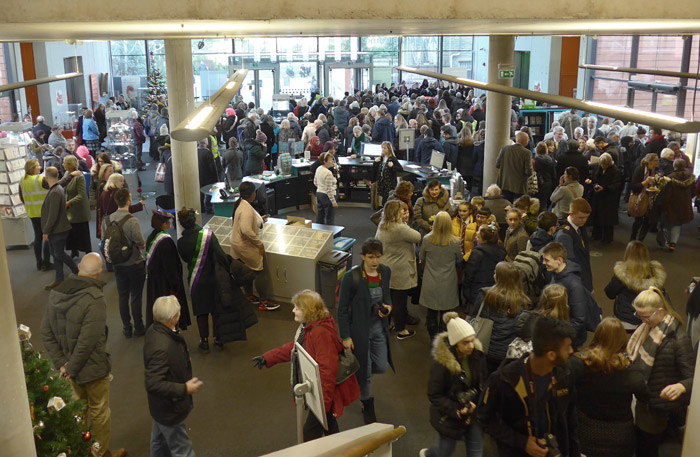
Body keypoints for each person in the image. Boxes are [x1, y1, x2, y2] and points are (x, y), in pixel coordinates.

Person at [41, 252, 127, 457]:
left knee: (77, 413)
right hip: (93, 368)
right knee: (99, 411)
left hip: (68, 372)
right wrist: (70, 368)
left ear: (79, 267)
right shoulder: (95, 298)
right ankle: (100, 452)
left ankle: (80, 452)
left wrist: (63, 364)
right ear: (98, 273)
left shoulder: (55, 293)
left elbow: (46, 332)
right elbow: (88, 342)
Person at [254, 290, 361, 441]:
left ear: (308, 311)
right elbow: (295, 348)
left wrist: (321, 405)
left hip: (323, 394)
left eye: (297, 308)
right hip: (320, 393)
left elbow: (327, 371)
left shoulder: (319, 333)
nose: (293, 310)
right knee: (329, 427)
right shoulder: (310, 328)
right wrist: (268, 357)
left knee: (309, 437)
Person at [477, 316, 578, 457]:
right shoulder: (504, 380)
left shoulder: (566, 375)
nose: (571, 351)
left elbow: (570, 421)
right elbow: (485, 418)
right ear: (551, 355)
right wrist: (522, 442)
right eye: (567, 347)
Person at [628, 287, 695, 457]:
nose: (643, 321)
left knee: (648, 448)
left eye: (646, 317)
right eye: (639, 316)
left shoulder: (678, 339)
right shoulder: (647, 328)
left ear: (660, 311)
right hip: (645, 401)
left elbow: (692, 377)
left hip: (659, 407)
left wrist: (681, 386)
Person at [569, 317, 650, 457]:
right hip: (621, 436)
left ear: (598, 335)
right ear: (622, 340)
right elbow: (645, 396)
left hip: (586, 431)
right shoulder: (629, 369)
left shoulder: (578, 363)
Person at [337, 238, 394, 424]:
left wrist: (388, 306)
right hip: (359, 331)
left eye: (378, 257)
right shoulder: (350, 277)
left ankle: (359, 375)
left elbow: (387, 296)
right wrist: (345, 336)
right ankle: (367, 403)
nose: (375, 261)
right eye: (370, 257)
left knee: (382, 365)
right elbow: (342, 309)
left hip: (379, 328)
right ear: (362, 256)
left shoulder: (385, 272)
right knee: (366, 372)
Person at [419, 313, 485, 457]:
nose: (471, 346)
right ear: (455, 344)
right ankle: (430, 454)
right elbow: (434, 394)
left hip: (474, 414)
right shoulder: (442, 365)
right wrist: (456, 409)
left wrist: (476, 402)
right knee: (445, 451)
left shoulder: (477, 357)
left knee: (476, 453)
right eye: (465, 343)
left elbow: (482, 384)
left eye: (472, 341)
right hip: (449, 418)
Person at [144, 296, 202, 457]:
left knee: (159, 441)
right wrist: (185, 388)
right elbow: (153, 383)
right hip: (170, 406)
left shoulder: (155, 330)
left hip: (160, 407)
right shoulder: (163, 346)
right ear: (173, 318)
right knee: (182, 450)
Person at [102, 188, 147, 338]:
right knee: (136, 296)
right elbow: (140, 242)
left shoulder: (106, 220)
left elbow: (105, 241)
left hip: (118, 264)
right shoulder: (132, 221)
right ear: (128, 201)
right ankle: (139, 327)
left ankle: (126, 327)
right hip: (134, 263)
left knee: (122, 296)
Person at [375, 201, 421, 340]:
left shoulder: (383, 225)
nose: (405, 214)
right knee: (399, 302)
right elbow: (417, 237)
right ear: (396, 213)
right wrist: (405, 222)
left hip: (385, 267)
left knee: (386, 299)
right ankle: (401, 330)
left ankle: (386, 326)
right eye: (403, 211)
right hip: (400, 270)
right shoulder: (400, 228)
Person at [542, 242, 602, 348]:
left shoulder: (574, 285)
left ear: (559, 260)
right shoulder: (556, 274)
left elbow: (579, 319)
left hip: (569, 340)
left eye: (547, 260)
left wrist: (563, 338)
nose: (543, 263)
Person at [229, 182, 278, 311]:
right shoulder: (247, 210)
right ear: (252, 194)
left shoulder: (240, 204)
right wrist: (259, 243)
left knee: (247, 269)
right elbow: (246, 230)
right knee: (261, 271)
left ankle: (249, 296)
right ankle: (264, 301)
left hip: (237, 244)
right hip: (246, 245)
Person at [479, 261, 531, 374]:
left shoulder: (486, 295)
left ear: (499, 278)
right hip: (509, 351)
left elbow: (478, 317)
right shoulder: (523, 301)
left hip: (487, 348)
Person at [605, 241, 666, 332]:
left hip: (626, 320)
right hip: (647, 321)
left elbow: (610, 293)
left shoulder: (622, 274)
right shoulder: (655, 275)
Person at [145, 210, 191, 330]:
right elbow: (171, 267)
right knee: (168, 313)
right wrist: (175, 286)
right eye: (168, 222)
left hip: (154, 282)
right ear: (163, 224)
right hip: (165, 285)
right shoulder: (166, 241)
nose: (170, 224)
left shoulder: (151, 237)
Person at [420, 211, 463, 340]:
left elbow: (422, 257)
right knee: (446, 314)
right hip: (448, 280)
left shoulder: (427, 239)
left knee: (431, 313)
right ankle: (443, 339)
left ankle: (433, 338)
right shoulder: (455, 241)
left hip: (430, 279)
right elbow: (459, 260)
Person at [41, 166, 79, 290]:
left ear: (47, 176)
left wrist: (46, 231)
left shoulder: (55, 192)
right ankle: (59, 278)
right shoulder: (58, 188)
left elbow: (53, 215)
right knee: (55, 253)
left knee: (59, 253)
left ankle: (77, 271)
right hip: (58, 229)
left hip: (58, 229)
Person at [462, 224, 506, 315]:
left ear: (484, 240)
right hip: (494, 290)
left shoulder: (477, 253)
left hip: (477, 291)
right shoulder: (501, 251)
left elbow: (469, 274)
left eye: (478, 237)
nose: (475, 238)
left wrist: (466, 291)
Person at [554, 198, 593, 292]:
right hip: (575, 285)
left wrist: (589, 285)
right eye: (581, 217)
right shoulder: (564, 236)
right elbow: (569, 266)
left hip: (583, 280)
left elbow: (584, 259)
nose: (584, 220)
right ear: (571, 214)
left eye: (586, 217)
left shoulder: (580, 227)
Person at [20, 159, 52, 271]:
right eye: (38, 165)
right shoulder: (41, 179)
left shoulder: (22, 180)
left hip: (32, 213)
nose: (40, 167)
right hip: (44, 213)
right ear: (33, 168)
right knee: (47, 237)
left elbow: (21, 197)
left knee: (38, 237)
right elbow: (54, 189)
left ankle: (39, 262)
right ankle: (47, 263)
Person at [658, 159, 695, 251]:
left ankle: (666, 240)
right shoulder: (690, 177)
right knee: (678, 224)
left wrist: (663, 204)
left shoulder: (669, 178)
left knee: (669, 221)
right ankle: (673, 243)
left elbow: (666, 194)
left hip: (672, 203)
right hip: (684, 204)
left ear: (674, 166)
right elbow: (693, 192)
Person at [587, 152, 623, 244]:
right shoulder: (599, 167)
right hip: (598, 195)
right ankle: (596, 234)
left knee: (607, 219)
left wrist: (605, 188)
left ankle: (607, 238)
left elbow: (616, 185)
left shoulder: (615, 171)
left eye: (605, 165)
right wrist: (590, 181)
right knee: (597, 216)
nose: (603, 166)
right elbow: (594, 177)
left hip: (608, 197)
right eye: (602, 164)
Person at [62, 155, 92, 257]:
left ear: (70, 164)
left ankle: (88, 253)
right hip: (70, 211)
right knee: (72, 232)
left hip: (79, 210)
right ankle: (74, 251)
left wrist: (69, 202)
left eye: (64, 162)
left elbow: (82, 194)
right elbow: (61, 185)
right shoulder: (67, 174)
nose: (62, 164)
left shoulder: (79, 177)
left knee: (82, 232)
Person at [629, 153, 661, 242]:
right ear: (650, 161)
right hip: (640, 198)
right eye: (656, 160)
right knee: (638, 220)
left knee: (648, 221)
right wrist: (645, 182)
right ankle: (632, 239)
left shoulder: (656, 171)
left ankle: (640, 241)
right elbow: (634, 186)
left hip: (651, 199)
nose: (658, 162)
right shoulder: (640, 170)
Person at [495, 131, 533, 202]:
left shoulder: (505, 149)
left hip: (504, 183)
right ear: (525, 141)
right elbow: (528, 171)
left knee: (506, 205)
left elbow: (497, 164)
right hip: (519, 186)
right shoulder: (527, 153)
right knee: (518, 207)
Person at [314, 151, 338, 225]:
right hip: (327, 197)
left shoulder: (319, 168)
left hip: (319, 194)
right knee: (329, 218)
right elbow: (329, 190)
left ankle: (318, 232)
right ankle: (330, 234)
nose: (333, 161)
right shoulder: (328, 173)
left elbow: (315, 182)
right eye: (330, 160)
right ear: (325, 161)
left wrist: (321, 187)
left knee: (320, 215)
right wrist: (334, 202)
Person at [196, 139, 218, 214]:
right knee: (209, 191)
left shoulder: (195, 151)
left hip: (199, 174)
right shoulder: (207, 152)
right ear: (205, 142)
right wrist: (215, 176)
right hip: (208, 176)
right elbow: (212, 166)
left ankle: (201, 207)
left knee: (201, 191)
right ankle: (208, 208)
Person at [533, 142, 557, 210]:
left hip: (537, 183)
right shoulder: (550, 160)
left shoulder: (535, 160)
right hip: (547, 184)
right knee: (544, 204)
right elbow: (553, 174)